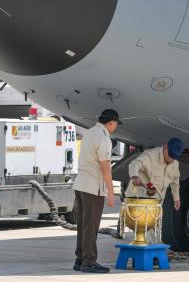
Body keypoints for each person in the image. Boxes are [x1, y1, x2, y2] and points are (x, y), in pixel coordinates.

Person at [72, 109, 121, 273]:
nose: (115, 128)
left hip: (80, 185)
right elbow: (105, 165)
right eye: (116, 125)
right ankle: (89, 261)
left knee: (83, 225)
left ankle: (80, 258)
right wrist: (111, 191)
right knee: (91, 226)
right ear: (111, 122)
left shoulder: (90, 132)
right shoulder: (104, 137)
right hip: (93, 188)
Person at [128, 137, 185, 211]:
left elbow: (175, 182)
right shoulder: (150, 156)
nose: (171, 160)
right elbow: (135, 164)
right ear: (165, 146)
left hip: (156, 207)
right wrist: (135, 176)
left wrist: (176, 199)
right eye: (170, 155)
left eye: (174, 157)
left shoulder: (175, 163)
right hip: (136, 204)